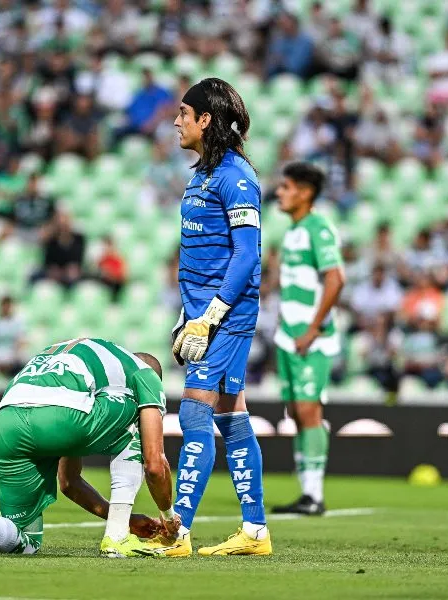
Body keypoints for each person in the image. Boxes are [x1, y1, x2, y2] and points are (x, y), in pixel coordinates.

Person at [153, 78, 269, 558]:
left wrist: (211, 317)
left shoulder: (236, 177)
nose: (176, 121)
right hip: (204, 312)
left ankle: (177, 532)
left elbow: (246, 254)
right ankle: (255, 531)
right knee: (231, 412)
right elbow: (198, 259)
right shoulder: (201, 174)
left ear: (206, 119)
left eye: (184, 113)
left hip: (227, 315)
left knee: (196, 411)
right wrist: (188, 314)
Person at [0, 338, 177, 559]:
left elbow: (69, 482)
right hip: (61, 414)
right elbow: (155, 465)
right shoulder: (144, 373)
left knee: (25, 540)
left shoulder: (101, 365)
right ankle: (116, 539)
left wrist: (125, 518)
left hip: (7, 418)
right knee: (139, 420)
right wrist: (168, 518)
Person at [268, 162, 344, 517]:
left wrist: (312, 328)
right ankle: (305, 492)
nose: (280, 193)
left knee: (310, 410)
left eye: (286, 187)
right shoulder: (293, 231)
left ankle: (315, 495)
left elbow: (335, 279)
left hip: (312, 339)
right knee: (297, 414)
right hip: (289, 337)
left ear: (305, 192)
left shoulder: (319, 228)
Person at [0, 296, 27, 377]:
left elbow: (21, 342)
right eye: (4, 305)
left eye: (8, 306)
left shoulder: (17, 322)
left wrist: (14, 358)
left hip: (12, 357)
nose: (6, 308)